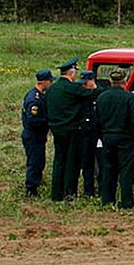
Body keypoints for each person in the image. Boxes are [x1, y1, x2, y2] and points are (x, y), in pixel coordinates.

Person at [45, 58, 99, 202]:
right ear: (72, 72)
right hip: (72, 129)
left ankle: (56, 193)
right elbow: (91, 94)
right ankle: (69, 193)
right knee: (72, 162)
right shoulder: (72, 88)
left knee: (59, 161)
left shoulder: (52, 89)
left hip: (56, 129)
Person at [95, 67, 134, 209]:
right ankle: (126, 201)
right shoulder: (128, 97)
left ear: (111, 81)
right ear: (124, 81)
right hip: (125, 138)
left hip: (107, 137)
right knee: (126, 170)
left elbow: (97, 119)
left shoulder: (102, 97)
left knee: (108, 169)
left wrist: (102, 135)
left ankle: (107, 199)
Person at [21, 69, 53, 197]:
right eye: (50, 81)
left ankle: (35, 185)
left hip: (37, 135)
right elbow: (33, 120)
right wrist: (48, 122)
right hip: (33, 135)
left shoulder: (39, 95)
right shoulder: (34, 99)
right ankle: (31, 189)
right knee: (35, 162)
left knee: (39, 161)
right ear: (44, 82)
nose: (50, 84)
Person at [79, 70, 101, 197]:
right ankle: (88, 190)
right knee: (87, 163)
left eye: (85, 83)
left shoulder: (100, 94)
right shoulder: (83, 97)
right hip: (86, 134)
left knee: (101, 163)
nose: (83, 86)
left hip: (98, 134)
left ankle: (101, 188)